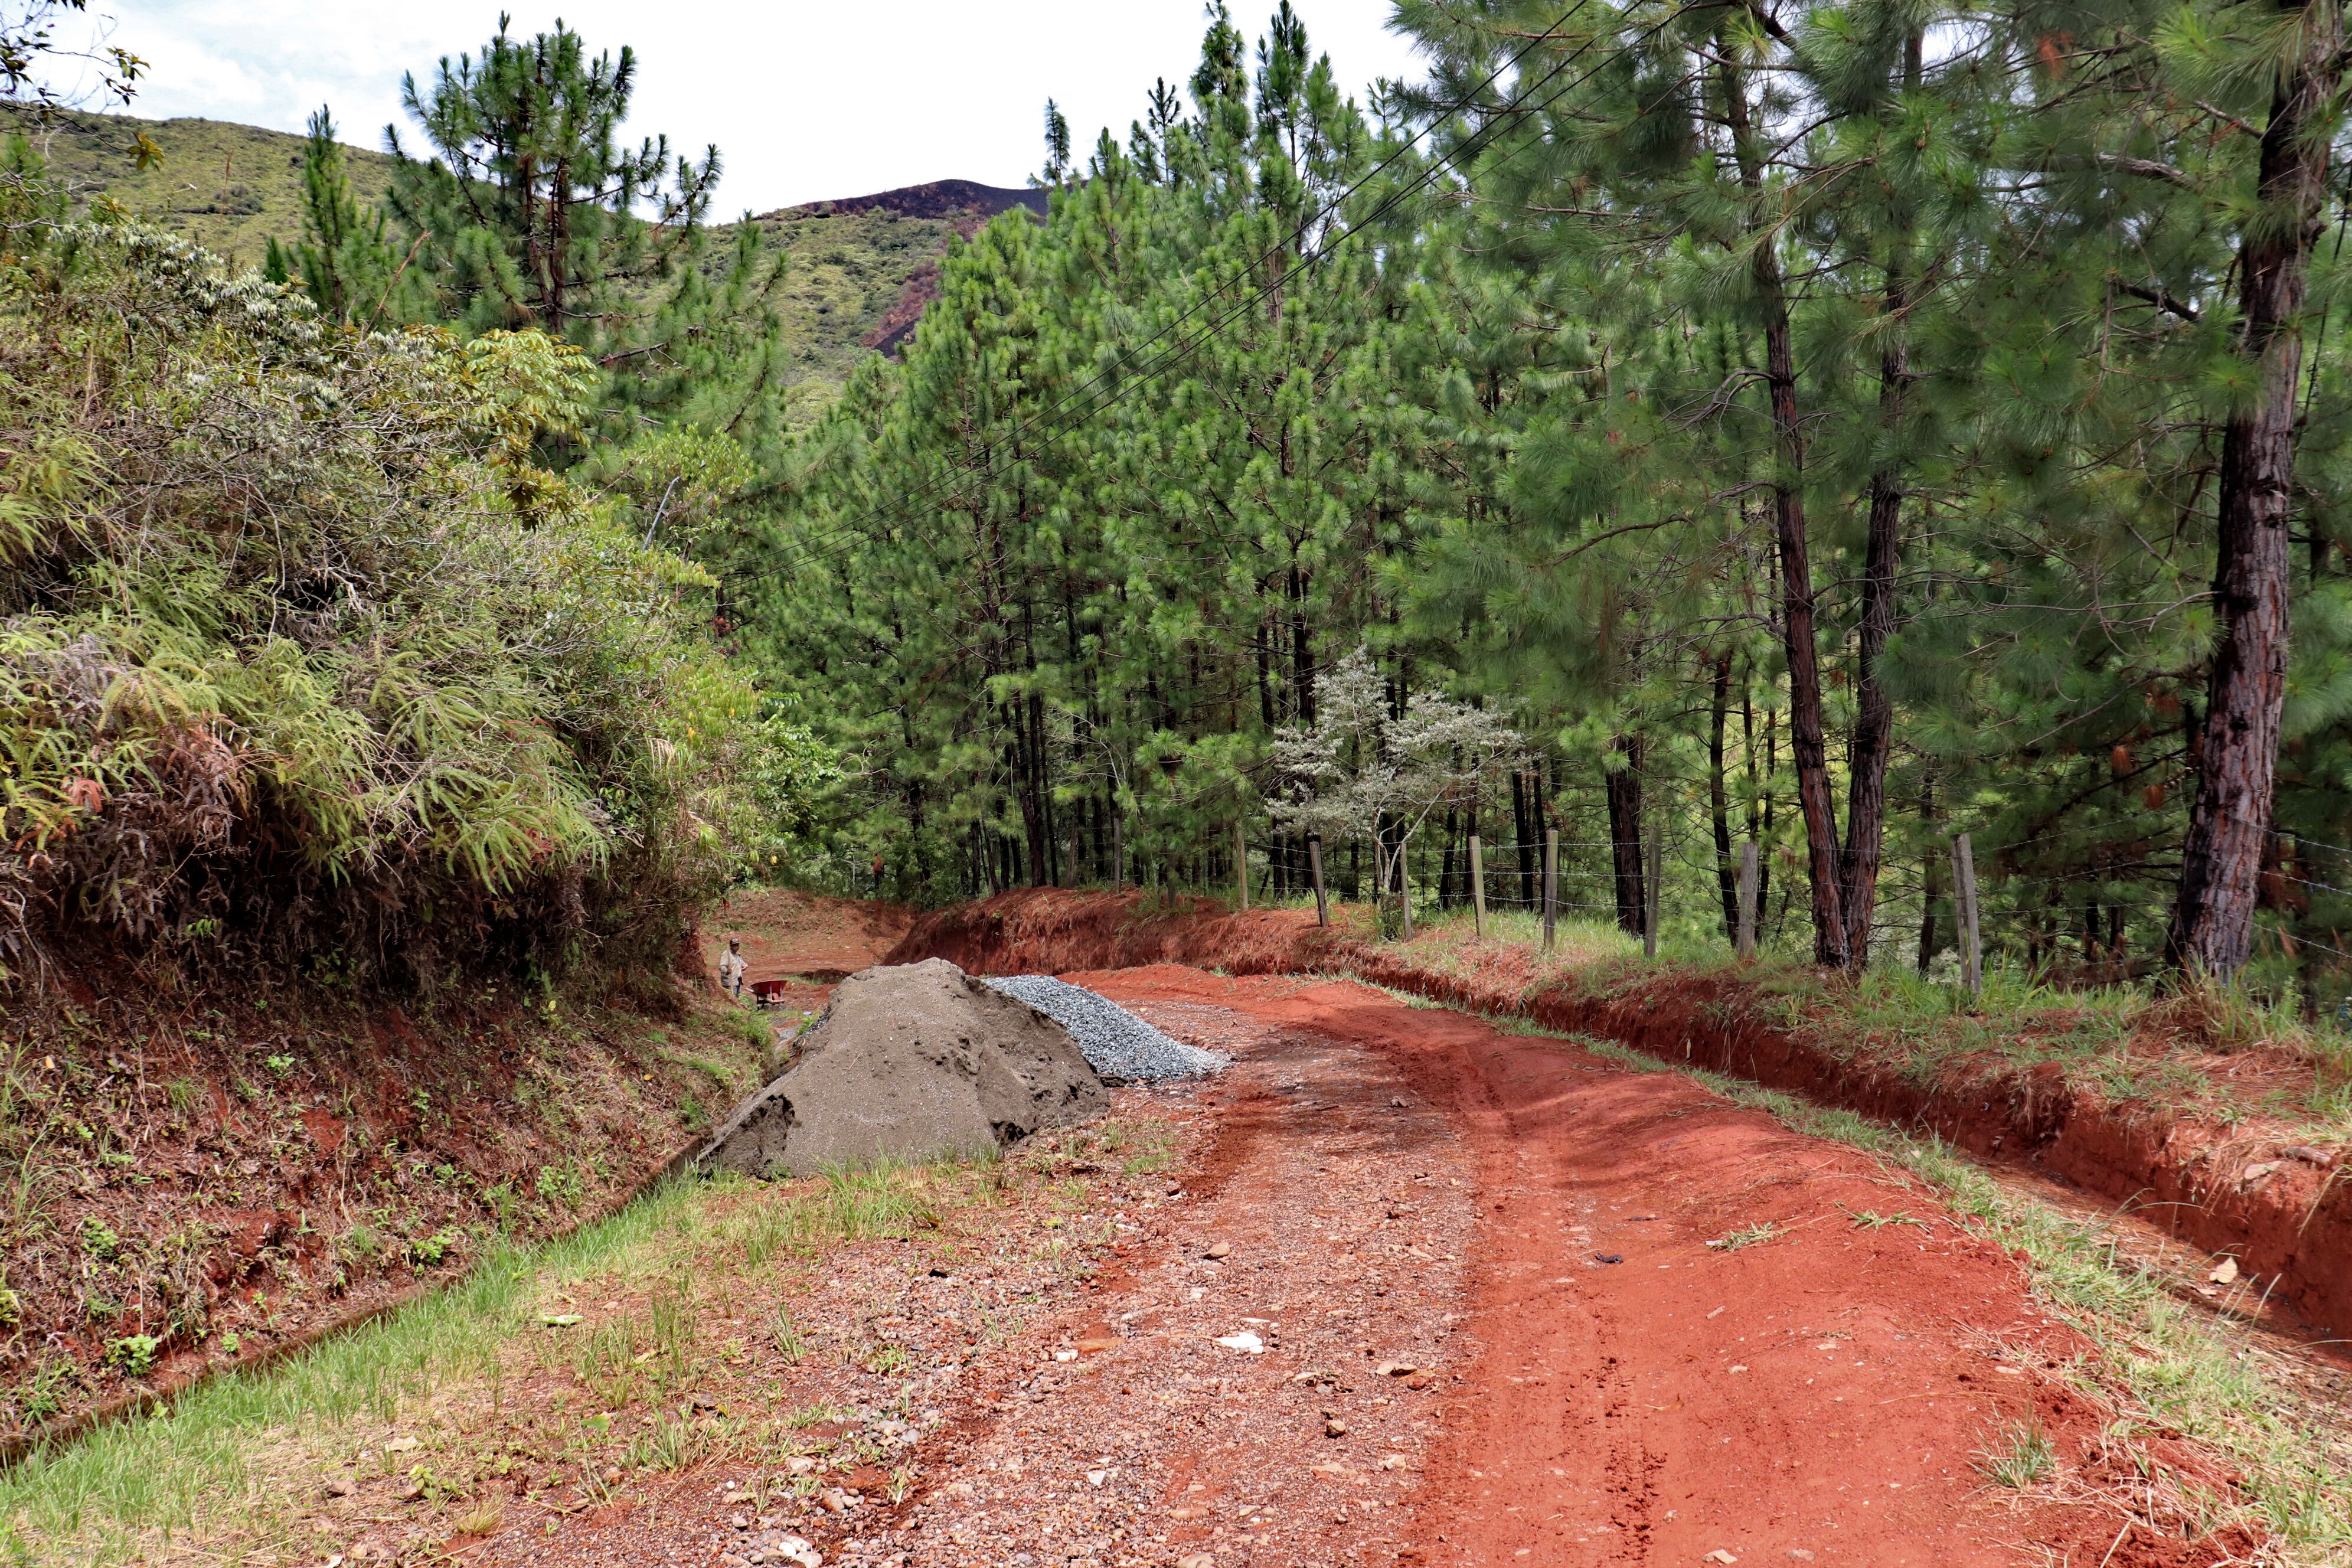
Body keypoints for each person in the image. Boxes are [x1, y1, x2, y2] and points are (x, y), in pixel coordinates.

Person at [718, 936, 746, 1001]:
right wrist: (727, 971)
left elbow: (740, 962)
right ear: (731, 946)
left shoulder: (737, 954)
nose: (737, 947)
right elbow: (722, 967)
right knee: (733, 999)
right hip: (730, 981)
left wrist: (744, 965)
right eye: (735, 945)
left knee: (738, 998)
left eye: (738, 945)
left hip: (738, 980)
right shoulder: (727, 954)